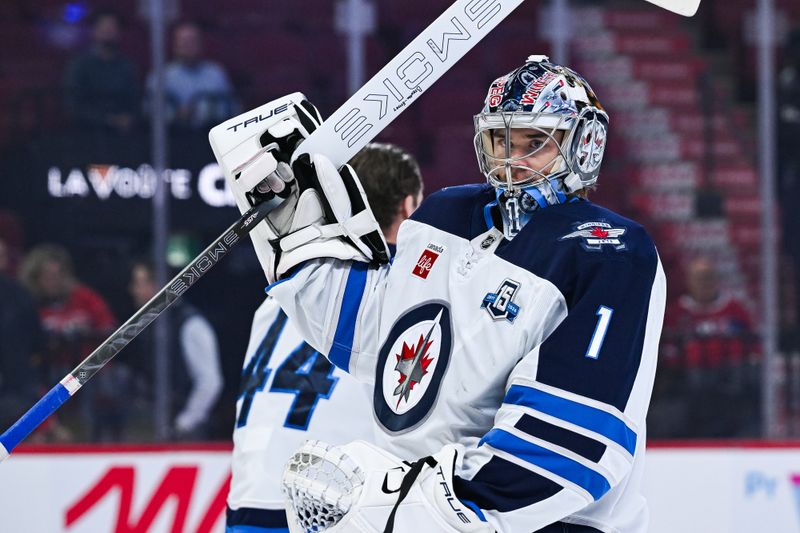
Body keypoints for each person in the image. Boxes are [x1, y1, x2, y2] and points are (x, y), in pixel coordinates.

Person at [222, 56, 666, 533]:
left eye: (535, 143)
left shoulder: (609, 251)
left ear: (584, 145)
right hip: (414, 508)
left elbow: (579, 438)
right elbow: (376, 342)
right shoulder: (444, 215)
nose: (511, 162)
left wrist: (442, 507)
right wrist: (303, 241)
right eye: (501, 140)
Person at [226, 142, 424, 533]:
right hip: (332, 507)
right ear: (407, 207)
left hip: (247, 500)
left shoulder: (284, 291)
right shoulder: (405, 287)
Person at [19, 244, 119, 441]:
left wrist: (86, 334)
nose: (54, 282)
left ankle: (91, 438)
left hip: (86, 371)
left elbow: (111, 331)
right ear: (36, 278)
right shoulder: (28, 304)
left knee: (104, 380)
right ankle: (51, 432)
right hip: (46, 372)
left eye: (58, 275)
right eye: (47, 276)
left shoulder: (84, 297)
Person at [652, 256, 758, 438]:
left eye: (708, 277)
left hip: (729, 385)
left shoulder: (736, 310)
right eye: (699, 278)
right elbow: (667, 353)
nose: (704, 283)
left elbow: (751, 347)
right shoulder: (676, 313)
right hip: (685, 386)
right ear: (690, 281)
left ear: (717, 280)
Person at [129, 261, 223, 439]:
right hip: (156, 425)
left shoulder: (191, 324)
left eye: (139, 283)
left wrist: (183, 424)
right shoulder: (146, 326)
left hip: (187, 433)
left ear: (157, 285)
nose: (134, 290)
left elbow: (210, 382)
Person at [147, 20, 237, 128]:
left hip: (207, 135)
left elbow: (231, 110)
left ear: (200, 44)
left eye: (193, 41)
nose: (188, 46)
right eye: (184, 42)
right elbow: (150, 111)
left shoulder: (216, 73)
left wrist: (200, 111)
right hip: (173, 137)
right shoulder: (160, 76)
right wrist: (176, 113)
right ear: (175, 45)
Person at [63, 10, 139, 134]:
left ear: (119, 33)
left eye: (112, 27)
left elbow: (134, 100)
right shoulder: (80, 65)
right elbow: (74, 106)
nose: (108, 31)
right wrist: (108, 120)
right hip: (88, 135)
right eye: (104, 27)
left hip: (122, 137)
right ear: (94, 31)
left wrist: (129, 118)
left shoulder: (126, 66)